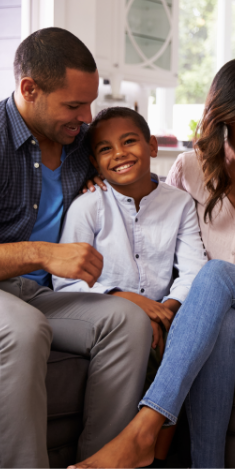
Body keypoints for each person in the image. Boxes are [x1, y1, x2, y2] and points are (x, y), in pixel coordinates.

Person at [71, 57, 235, 469]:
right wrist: (103, 187)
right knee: (223, 322)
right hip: (216, 305)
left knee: (216, 273)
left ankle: (144, 429)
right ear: (228, 113)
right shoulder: (189, 167)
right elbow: (154, 217)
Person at [0, 28, 152, 468]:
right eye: (73, 105)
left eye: (89, 103)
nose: (86, 117)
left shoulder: (80, 145)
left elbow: (131, 170)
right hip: (8, 297)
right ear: (29, 89)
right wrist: (43, 254)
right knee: (24, 330)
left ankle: (97, 463)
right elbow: (46, 256)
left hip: (40, 294)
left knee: (128, 322)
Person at [52, 107, 208, 464]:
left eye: (129, 141)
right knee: (141, 331)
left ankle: (153, 456)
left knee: (181, 339)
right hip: (99, 309)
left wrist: (166, 312)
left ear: (152, 145)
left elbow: (194, 269)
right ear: (94, 161)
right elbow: (66, 282)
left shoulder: (179, 203)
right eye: (106, 149)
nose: (119, 153)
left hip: (160, 311)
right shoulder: (88, 206)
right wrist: (131, 302)